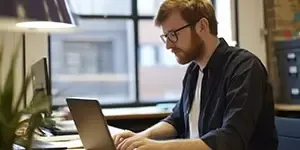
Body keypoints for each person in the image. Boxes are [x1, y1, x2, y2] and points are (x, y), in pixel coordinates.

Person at [112, 0, 278, 150]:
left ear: (202, 26)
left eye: (173, 34)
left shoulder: (245, 68)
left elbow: (230, 140)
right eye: (166, 37)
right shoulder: (194, 70)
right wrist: (141, 137)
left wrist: (159, 148)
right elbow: (177, 119)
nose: (169, 45)